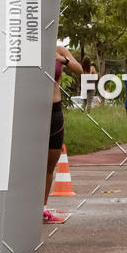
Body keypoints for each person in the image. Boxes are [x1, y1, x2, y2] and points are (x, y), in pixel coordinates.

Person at [44, 45, 82, 224]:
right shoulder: (24, 47)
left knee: (49, 165)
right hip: (29, 112)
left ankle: (42, 210)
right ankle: (22, 208)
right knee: (27, 163)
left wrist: (63, 59)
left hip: (54, 110)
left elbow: (79, 70)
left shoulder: (58, 49)